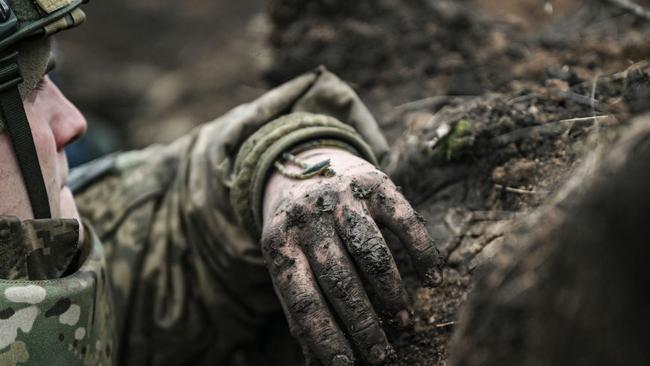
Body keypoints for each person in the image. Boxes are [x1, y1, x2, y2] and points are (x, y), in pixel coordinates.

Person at [0, 0, 443, 365]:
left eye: (48, 76)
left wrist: (291, 166)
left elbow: (176, 213)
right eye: (30, 90)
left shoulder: (61, 253)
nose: (72, 122)